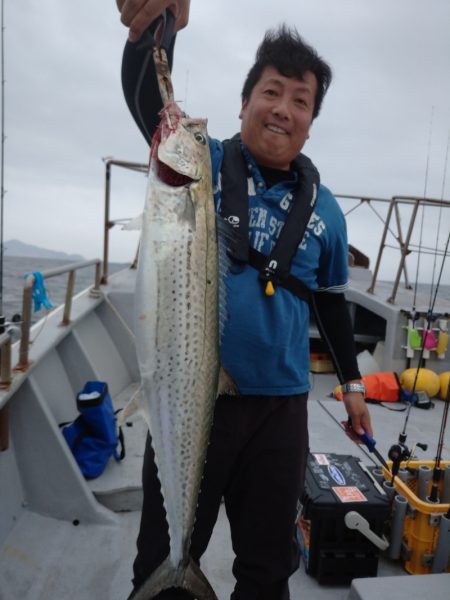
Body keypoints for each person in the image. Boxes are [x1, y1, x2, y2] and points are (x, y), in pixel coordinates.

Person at [116, 2, 373, 599]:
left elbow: (331, 303)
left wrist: (355, 386)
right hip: (192, 393)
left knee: (266, 569)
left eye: (300, 101)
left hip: (280, 413)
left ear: (311, 122)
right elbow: (148, 101)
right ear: (244, 102)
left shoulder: (327, 209)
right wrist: (160, 32)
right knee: (162, 553)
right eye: (271, 91)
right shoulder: (201, 163)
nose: (283, 109)